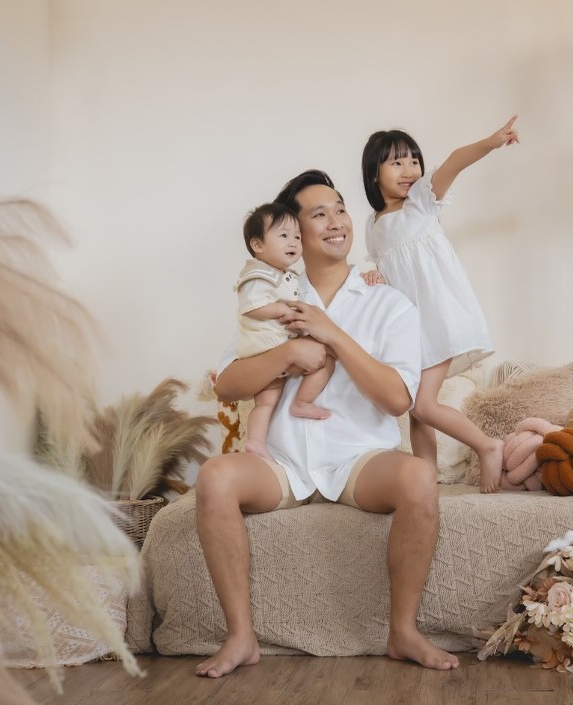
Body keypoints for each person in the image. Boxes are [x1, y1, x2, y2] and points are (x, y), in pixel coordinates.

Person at [194, 169, 459, 678]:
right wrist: (290, 351)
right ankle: (241, 637)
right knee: (214, 477)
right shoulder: (269, 301)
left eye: (339, 209)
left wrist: (333, 334)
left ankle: (403, 632)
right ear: (291, 232)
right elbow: (227, 385)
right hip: (283, 460)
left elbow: (398, 400)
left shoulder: (389, 301)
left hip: (359, 459)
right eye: (318, 214)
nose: (336, 222)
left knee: (419, 477)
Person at [360, 116, 520, 493]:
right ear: (373, 174)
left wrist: (492, 141)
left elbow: (454, 161)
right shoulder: (372, 225)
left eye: (413, 160)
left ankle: (487, 445)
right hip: (410, 330)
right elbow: (386, 272)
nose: (409, 169)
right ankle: (425, 480)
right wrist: (374, 275)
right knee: (418, 412)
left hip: (439, 319)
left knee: (422, 405)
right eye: (396, 162)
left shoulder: (421, 203)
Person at [234, 202, 335, 461]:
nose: (293, 242)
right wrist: (283, 310)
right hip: (267, 347)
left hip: (273, 349)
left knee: (266, 402)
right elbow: (252, 307)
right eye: (283, 235)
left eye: (297, 237)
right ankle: (302, 401)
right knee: (326, 357)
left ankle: (256, 442)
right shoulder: (258, 275)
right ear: (258, 245)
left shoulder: (284, 275)